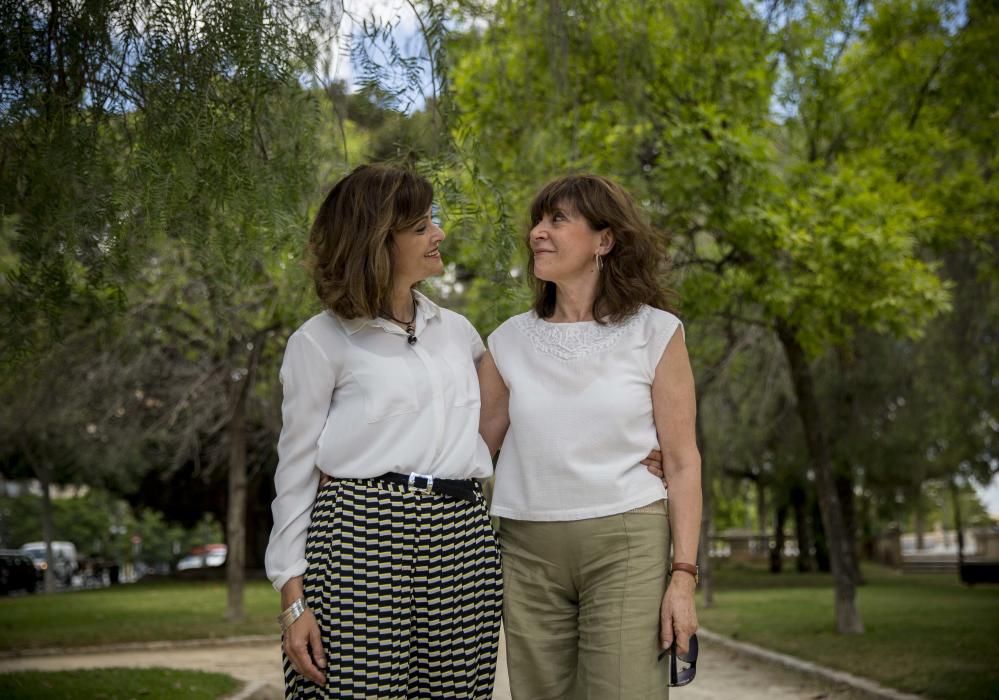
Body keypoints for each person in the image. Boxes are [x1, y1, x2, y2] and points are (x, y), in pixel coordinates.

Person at [264, 164, 502, 699]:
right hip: (360, 540)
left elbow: (513, 412)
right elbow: (295, 473)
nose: (438, 234)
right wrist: (293, 601)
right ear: (375, 242)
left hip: (462, 540)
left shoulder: (458, 333)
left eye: (432, 220)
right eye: (420, 227)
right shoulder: (320, 341)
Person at [478, 174, 702, 699]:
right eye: (538, 220)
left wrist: (684, 576)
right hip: (526, 549)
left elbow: (684, 462)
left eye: (557, 220)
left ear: (604, 240)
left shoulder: (656, 332)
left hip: (626, 542)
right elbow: (469, 449)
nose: (538, 232)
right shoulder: (508, 341)